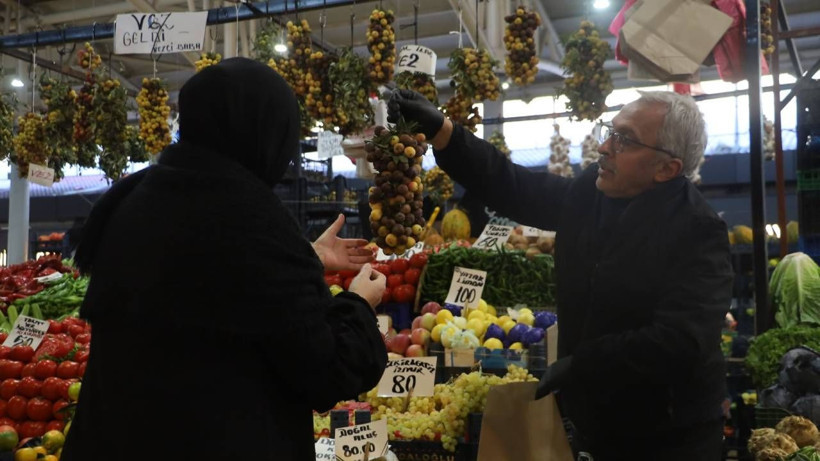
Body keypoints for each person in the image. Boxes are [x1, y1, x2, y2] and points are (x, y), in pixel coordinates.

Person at [61, 58, 388, 461]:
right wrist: (358, 303)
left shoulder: (135, 198)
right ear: (268, 132)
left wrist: (304, 257)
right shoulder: (252, 220)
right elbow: (327, 371)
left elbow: (202, 280)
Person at [387, 89, 733, 460]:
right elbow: (516, 187)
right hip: (594, 423)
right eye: (609, 131)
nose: (604, 148)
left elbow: (679, 342)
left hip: (668, 436)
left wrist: (583, 363)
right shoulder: (592, 191)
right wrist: (444, 131)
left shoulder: (697, 231)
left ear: (667, 169)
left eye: (625, 140)